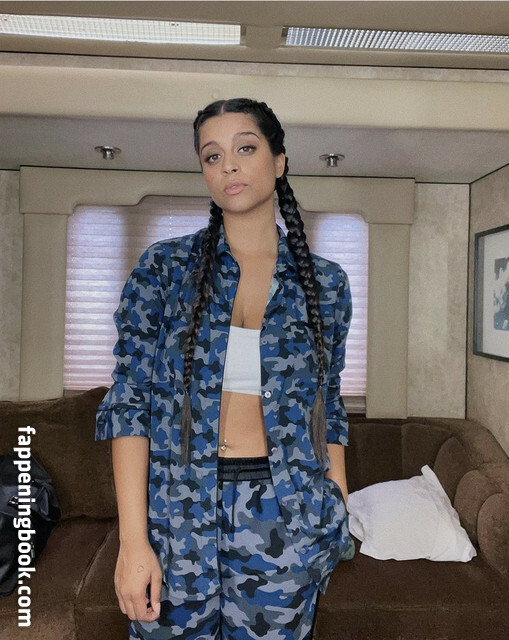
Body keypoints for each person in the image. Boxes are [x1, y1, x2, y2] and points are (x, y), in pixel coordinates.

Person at [95, 97, 355, 640]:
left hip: (286, 514)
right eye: (212, 156)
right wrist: (133, 541)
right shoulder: (165, 270)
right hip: (177, 512)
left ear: (279, 161)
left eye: (245, 149)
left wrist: (336, 502)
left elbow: (327, 403)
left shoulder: (325, 285)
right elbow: (129, 403)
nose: (228, 166)